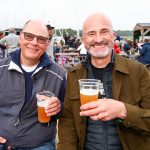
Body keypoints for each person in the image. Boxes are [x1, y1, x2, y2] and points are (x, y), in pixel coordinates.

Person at [58, 13, 150, 150]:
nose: (98, 39)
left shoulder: (138, 71)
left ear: (113, 36)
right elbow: (68, 123)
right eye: (91, 33)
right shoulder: (74, 74)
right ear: (83, 40)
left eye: (104, 32)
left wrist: (124, 110)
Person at [0, 20, 66, 149]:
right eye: (29, 36)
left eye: (41, 39)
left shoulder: (59, 74)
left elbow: (68, 111)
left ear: (47, 43)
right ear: (20, 37)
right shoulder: (1, 68)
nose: (34, 42)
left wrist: (59, 107)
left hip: (39, 144)